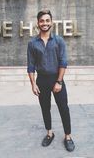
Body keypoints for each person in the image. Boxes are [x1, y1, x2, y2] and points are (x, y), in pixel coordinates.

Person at [27, 9, 75, 152]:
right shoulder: (32, 43)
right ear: (38, 23)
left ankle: (68, 136)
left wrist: (59, 81)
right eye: (42, 21)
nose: (45, 23)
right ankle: (49, 133)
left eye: (47, 20)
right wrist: (33, 84)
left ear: (51, 22)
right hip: (42, 80)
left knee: (64, 108)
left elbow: (63, 62)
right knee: (45, 108)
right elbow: (30, 65)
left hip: (56, 79)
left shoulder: (58, 40)